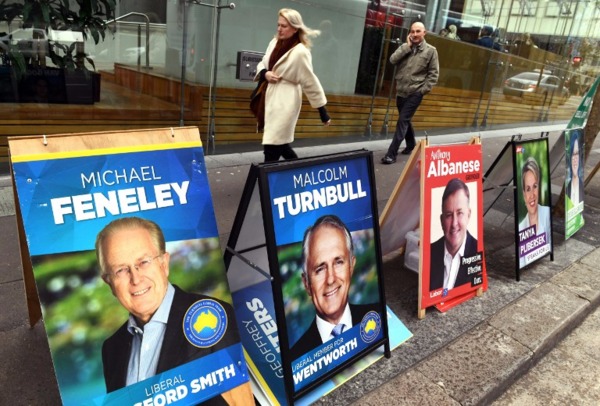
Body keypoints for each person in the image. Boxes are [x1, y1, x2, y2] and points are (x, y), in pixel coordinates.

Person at [97, 217, 252, 404]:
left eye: (144, 262)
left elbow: (241, 402)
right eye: (121, 270)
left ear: (164, 264)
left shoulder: (215, 318)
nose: (136, 278)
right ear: (109, 283)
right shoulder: (112, 348)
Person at [289, 215, 378, 361]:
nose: (330, 279)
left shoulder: (378, 316)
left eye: (338, 263)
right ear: (306, 283)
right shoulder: (297, 358)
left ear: (351, 267)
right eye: (319, 269)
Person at [253, 8, 331, 163]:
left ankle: (267, 182)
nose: (279, 29)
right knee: (281, 145)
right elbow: (263, 62)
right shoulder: (274, 42)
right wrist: (265, 74)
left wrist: (323, 111)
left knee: (272, 146)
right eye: (278, 25)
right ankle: (299, 171)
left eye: (284, 26)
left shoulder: (300, 52)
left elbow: (310, 82)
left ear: (295, 29)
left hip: (286, 101)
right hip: (268, 97)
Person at [381, 21, 439, 164]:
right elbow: (392, 60)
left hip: (415, 92)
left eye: (418, 31)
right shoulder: (405, 47)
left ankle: (391, 154)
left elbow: (433, 74)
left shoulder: (431, 51)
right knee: (405, 119)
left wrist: (422, 91)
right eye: (412, 31)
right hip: (401, 91)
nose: (414, 34)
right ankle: (411, 144)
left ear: (424, 33)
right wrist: (406, 47)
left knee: (402, 120)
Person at [429, 178, 479, 292]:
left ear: (469, 214)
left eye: (460, 213)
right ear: (442, 220)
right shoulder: (430, 253)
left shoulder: (477, 251)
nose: (454, 223)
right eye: (449, 215)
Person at [518, 157, 552, 267]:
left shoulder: (547, 214)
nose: (532, 194)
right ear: (523, 194)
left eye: (535, 186)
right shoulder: (521, 228)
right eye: (528, 189)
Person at [566, 134, 584, 206]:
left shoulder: (582, 187)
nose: (575, 159)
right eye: (573, 154)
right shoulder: (567, 189)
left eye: (577, 153)